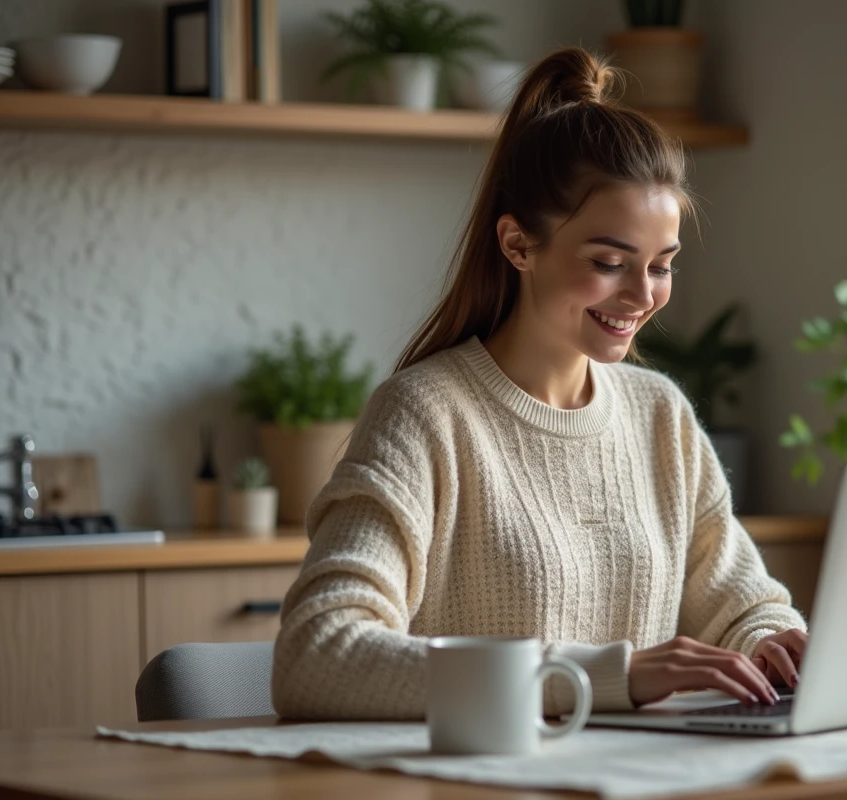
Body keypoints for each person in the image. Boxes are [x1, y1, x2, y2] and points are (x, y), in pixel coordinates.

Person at [272, 47, 808, 721]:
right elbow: (318, 656)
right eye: (610, 262)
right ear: (518, 244)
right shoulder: (425, 416)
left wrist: (775, 646)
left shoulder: (660, 417)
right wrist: (605, 676)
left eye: (662, 265)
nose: (643, 295)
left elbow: (744, 605)